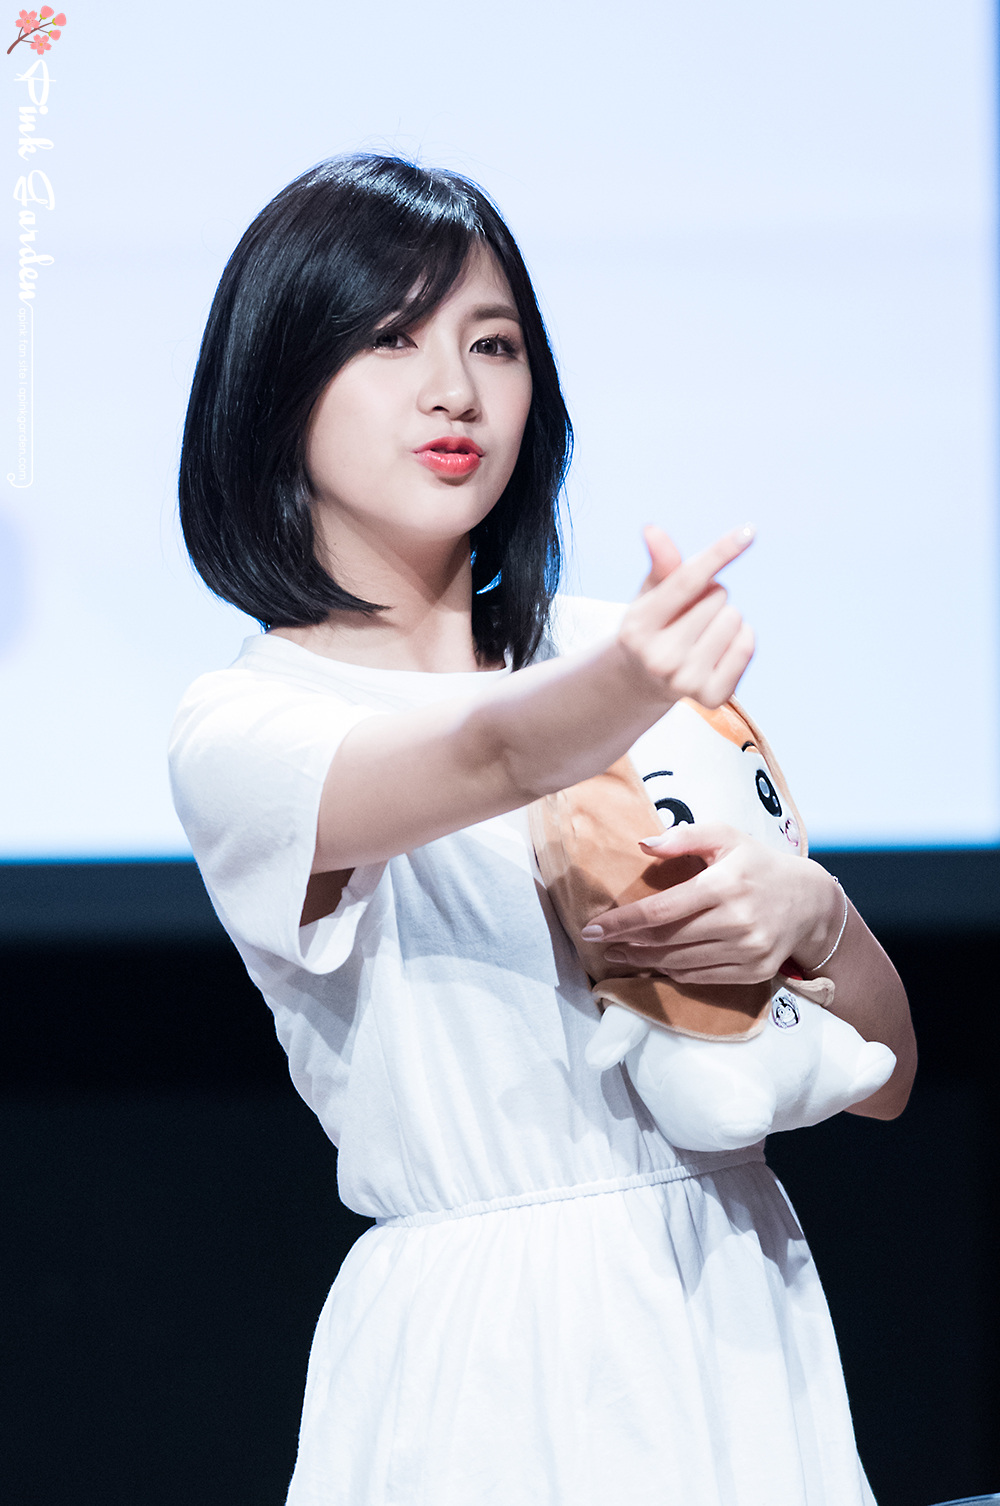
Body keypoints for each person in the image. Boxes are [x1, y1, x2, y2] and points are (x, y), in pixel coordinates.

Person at [169, 153, 916, 1505]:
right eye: (390, 338)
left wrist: (816, 916)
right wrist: (632, 679)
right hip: (491, 1350)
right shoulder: (248, 730)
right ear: (277, 385)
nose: (455, 389)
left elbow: (888, 1075)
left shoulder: (610, 655)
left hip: (736, 1304)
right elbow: (494, 750)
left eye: (493, 343)